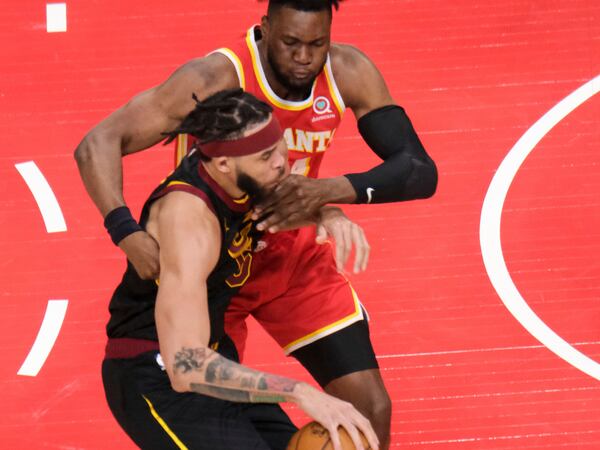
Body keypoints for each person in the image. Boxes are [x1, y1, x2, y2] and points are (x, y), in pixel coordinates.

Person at [74, 1, 437, 448]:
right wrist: (123, 229)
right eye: (291, 43)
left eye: (316, 44)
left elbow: (419, 171)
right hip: (208, 285)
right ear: (266, 29)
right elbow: (99, 141)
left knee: (369, 411)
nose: (304, 57)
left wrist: (328, 203)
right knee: (211, 384)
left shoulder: (341, 77)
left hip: (282, 253)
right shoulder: (212, 89)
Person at [101, 89, 379, 450]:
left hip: (216, 358)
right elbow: (185, 366)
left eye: (280, 145)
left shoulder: (247, 175)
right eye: (267, 156)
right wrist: (300, 392)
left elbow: (283, 198)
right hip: (157, 374)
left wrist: (328, 211)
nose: (282, 161)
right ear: (223, 165)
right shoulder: (188, 221)